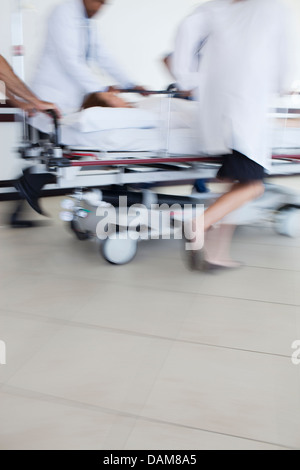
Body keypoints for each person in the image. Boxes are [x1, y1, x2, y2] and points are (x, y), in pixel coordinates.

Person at [171, 0, 291, 270]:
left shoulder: (215, 8)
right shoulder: (268, 7)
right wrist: (283, 84)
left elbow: (186, 29)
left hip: (218, 111)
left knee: (235, 184)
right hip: (246, 110)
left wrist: (186, 78)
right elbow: (282, 57)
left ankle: (217, 253)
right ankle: (198, 224)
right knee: (253, 186)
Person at [31, 0, 146, 116]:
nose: (99, 8)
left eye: (104, 4)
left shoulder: (87, 23)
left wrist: (131, 84)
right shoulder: (63, 12)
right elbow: (70, 60)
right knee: (51, 130)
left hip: (71, 100)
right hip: (51, 94)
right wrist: (102, 90)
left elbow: (103, 56)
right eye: (98, 1)